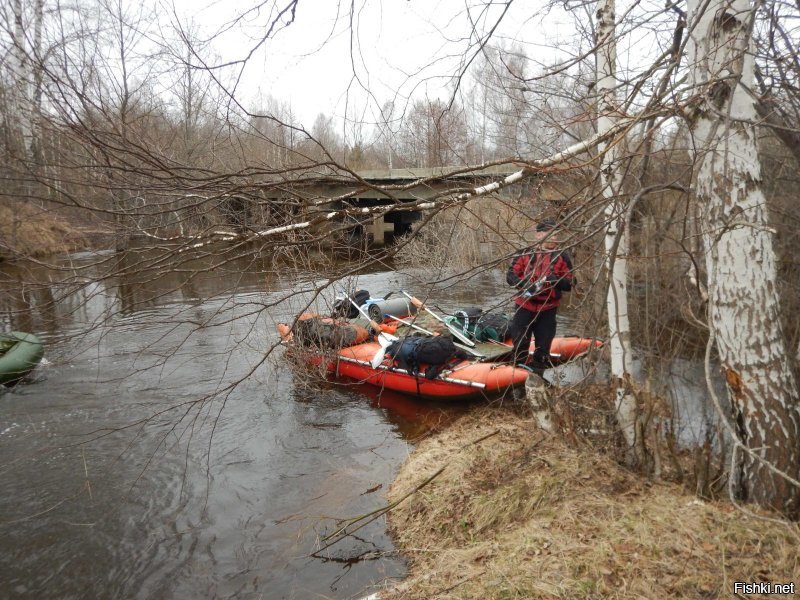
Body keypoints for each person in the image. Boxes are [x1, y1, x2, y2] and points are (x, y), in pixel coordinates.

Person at [506, 218, 575, 372]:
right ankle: (516, 382)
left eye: (556, 234)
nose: (554, 237)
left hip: (548, 310)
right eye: (550, 233)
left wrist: (556, 280)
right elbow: (510, 276)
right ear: (538, 235)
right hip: (524, 306)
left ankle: (538, 379)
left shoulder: (562, 256)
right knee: (520, 347)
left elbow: (571, 283)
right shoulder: (525, 253)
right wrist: (525, 284)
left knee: (543, 350)